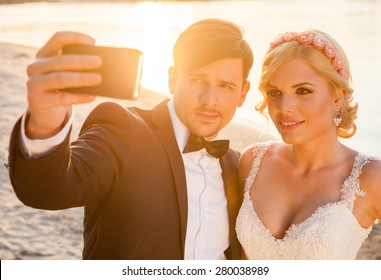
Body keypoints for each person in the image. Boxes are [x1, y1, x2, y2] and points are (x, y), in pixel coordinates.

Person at [7, 18, 253, 259]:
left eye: (226, 86)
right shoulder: (122, 130)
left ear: (243, 93)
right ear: (172, 79)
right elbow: (49, 189)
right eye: (198, 79)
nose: (210, 100)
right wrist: (45, 122)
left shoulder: (237, 166)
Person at [236, 29, 381, 259]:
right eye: (275, 92)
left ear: (337, 96)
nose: (285, 106)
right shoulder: (253, 161)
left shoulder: (372, 178)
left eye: (303, 91)